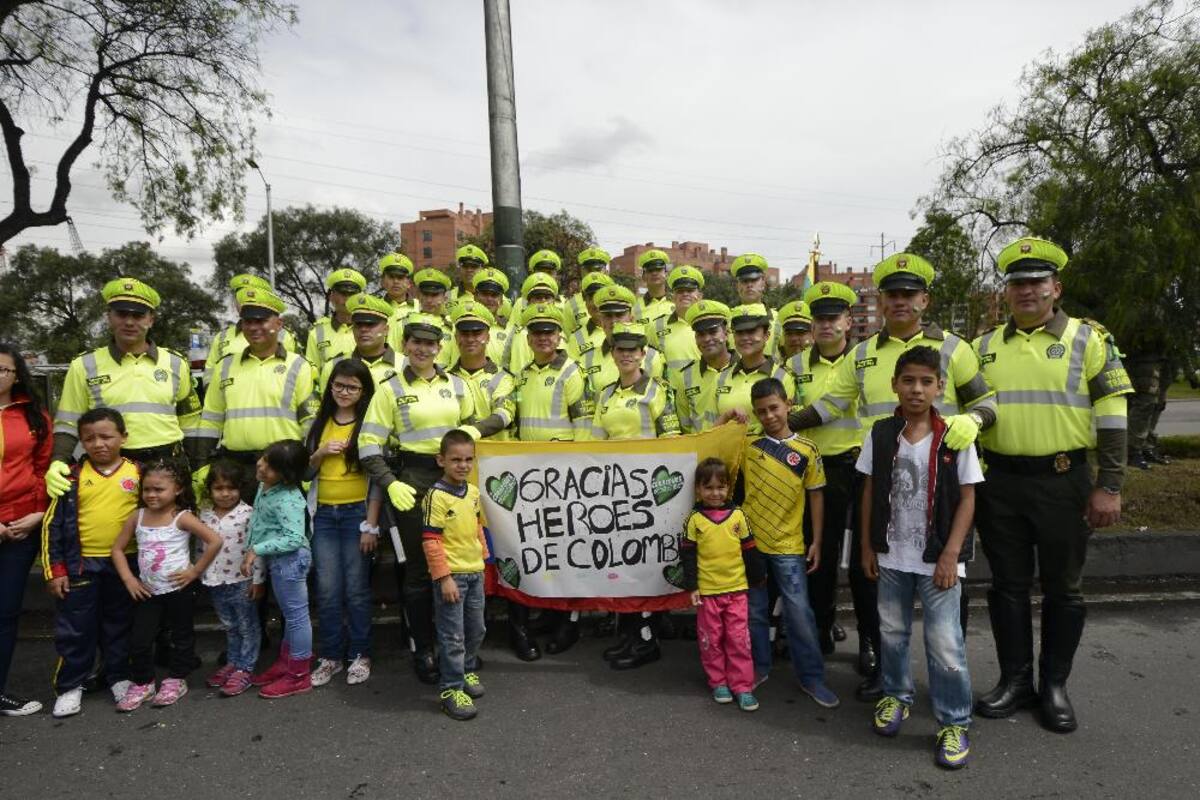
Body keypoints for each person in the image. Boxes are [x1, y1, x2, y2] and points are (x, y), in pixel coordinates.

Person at [786, 253, 998, 688]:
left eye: (909, 294)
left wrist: (973, 422)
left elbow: (987, 401)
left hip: (940, 485)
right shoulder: (861, 353)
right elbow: (829, 406)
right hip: (880, 482)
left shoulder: (955, 349)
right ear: (880, 302)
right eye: (892, 295)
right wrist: (778, 423)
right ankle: (882, 666)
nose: (900, 301)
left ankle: (947, 678)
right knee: (873, 575)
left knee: (946, 580)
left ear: (925, 299)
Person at [971, 237, 1133, 734]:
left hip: (1063, 483)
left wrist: (1109, 484)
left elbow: (1112, 415)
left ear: (1055, 287)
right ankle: (1015, 681)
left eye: (1036, 282)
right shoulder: (984, 346)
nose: (1026, 290)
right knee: (1007, 588)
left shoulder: (1089, 339)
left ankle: (1055, 687)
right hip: (1001, 484)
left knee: (1064, 590)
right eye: (1017, 283)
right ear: (1007, 292)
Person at [857, 346, 981, 770]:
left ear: (939, 387)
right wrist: (867, 546)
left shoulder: (954, 436)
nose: (916, 389)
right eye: (908, 380)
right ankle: (896, 696)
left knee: (945, 643)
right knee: (892, 632)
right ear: (894, 384)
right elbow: (870, 490)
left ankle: (953, 721)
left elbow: (967, 499)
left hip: (937, 561)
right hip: (892, 555)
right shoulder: (879, 433)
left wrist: (950, 554)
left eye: (926, 381)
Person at [359, 313, 496, 684]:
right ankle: (423, 649)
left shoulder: (458, 384)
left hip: (456, 479)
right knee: (421, 572)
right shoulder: (389, 388)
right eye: (416, 342)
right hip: (412, 482)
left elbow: (493, 417)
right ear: (405, 346)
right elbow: (368, 444)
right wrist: (389, 482)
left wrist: (473, 429)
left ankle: (461, 649)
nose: (423, 349)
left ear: (440, 347)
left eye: (430, 343)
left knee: (463, 565)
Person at [785, 281, 879, 692]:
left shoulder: (864, 360)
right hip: (808, 469)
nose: (826, 326)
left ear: (847, 321)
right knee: (816, 558)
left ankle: (870, 643)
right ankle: (820, 633)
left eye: (833, 318)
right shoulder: (794, 365)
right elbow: (780, 406)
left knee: (863, 562)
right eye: (819, 319)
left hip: (853, 467)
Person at [47, 277, 202, 497]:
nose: (129, 322)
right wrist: (58, 461)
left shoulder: (176, 363)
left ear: (151, 319)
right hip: (111, 467)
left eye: (138, 315)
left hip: (168, 466)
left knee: (170, 531)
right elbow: (68, 422)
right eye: (121, 314)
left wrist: (199, 467)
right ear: (108, 317)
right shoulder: (83, 365)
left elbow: (191, 421)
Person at [741, 378, 838, 708]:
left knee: (799, 613)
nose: (768, 416)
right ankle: (758, 668)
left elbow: (817, 497)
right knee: (755, 612)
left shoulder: (808, 451)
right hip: (752, 545)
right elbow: (714, 441)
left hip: (790, 547)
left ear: (788, 405)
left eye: (773, 408)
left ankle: (811, 677)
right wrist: (727, 416)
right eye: (761, 411)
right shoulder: (748, 446)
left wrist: (817, 541)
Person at [590, 322, 682, 669]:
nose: (626, 354)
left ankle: (647, 640)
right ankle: (629, 633)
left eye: (633, 349)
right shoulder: (605, 395)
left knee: (645, 566)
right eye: (620, 349)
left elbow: (674, 440)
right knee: (622, 566)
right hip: (615, 495)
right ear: (612, 354)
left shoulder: (659, 391)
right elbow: (595, 446)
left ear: (644, 353)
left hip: (648, 496)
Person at [41, 408, 140, 718]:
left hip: (126, 565)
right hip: (81, 566)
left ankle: (119, 677)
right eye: (89, 439)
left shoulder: (139, 473)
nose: (98, 444)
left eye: (107, 436)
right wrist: (54, 569)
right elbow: (52, 525)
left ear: (124, 437)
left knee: (119, 624)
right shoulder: (70, 476)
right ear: (81, 442)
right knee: (76, 628)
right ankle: (71, 685)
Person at [508, 303, 593, 659]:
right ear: (527, 338)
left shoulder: (572, 372)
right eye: (536, 332)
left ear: (560, 336)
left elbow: (585, 428)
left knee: (567, 554)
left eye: (549, 332)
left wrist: (578, 475)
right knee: (541, 552)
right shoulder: (524, 374)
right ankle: (546, 612)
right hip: (530, 478)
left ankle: (568, 623)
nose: (543, 338)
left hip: (563, 479)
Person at [109, 460, 223, 711]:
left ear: (178, 489)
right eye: (147, 489)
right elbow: (117, 549)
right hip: (147, 591)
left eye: (159, 489)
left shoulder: (181, 517)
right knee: (140, 640)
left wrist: (195, 571)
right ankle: (143, 683)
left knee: (181, 638)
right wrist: (129, 579)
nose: (151, 494)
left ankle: (176, 679)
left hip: (178, 591)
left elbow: (214, 541)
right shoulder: (137, 516)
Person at [194, 287, 319, 489]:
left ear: (279, 324)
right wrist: (201, 466)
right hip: (235, 470)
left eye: (261, 321)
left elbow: (310, 423)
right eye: (248, 322)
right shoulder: (224, 366)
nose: (253, 327)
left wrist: (306, 467)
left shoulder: (299, 365)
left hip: (283, 470)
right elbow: (210, 420)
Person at [306, 358, 381, 688]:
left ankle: (360, 654)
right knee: (326, 589)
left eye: (352, 387)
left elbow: (378, 478)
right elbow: (305, 473)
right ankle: (331, 656)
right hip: (323, 515)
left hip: (356, 514)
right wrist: (321, 452)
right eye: (338, 385)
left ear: (364, 391)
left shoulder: (370, 423)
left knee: (356, 590)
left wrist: (371, 524)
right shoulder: (318, 422)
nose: (344, 392)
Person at [680, 457, 766, 711]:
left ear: (729, 487)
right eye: (708, 488)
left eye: (721, 487)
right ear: (698, 490)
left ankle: (742, 686)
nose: (715, 493)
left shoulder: (738, 516)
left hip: (737, 590)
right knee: (711, 640)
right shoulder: (694, 520)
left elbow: (750, 550)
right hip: (708, 593)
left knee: (739, 639)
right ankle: (718, 681)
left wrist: (758, 578)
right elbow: (687, 556)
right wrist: (692, 586)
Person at [0, 343, 52, 716]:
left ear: (16, 374)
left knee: (5, 613)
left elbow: (42, 469)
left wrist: (38, 513)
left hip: (21, 528)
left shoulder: (34, 417)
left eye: (4, 369)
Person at [422, 429, 489, 721]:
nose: (463, 465)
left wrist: (484, 560)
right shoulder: (435, 496)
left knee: (477, 629)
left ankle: (466, 671)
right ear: (441, 460)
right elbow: (430, 540)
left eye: (468, 459)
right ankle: (450, 690)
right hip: (453, 577)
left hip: (475, 573)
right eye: (456, 460)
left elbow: (476, 528)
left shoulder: (473, 492)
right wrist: (444, 577)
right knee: (453, 636)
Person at [242, 440, 314, 699]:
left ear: (286, 475)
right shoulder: (267, 485)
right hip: (279, 560)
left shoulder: (288, 498)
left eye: (271, 467)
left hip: (290, 561)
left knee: (296, 617)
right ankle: (287, 663)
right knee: (290, 614)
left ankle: (299, 674)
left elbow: (294, 538)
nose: (262, 466)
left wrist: (256, 550)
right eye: (263, 458)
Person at [198, 460, 264, 697]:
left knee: (248, 626)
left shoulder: (249, 514)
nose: (225, 494)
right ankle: (233, 662)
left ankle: (246, 668)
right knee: (230, 625)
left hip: (242, 580)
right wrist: (198, 571)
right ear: (210, 490)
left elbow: (257, 549)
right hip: (215, 580)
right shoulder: (203, 514)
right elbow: (200, 546)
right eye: (218, 488)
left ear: (240, 488)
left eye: (231, 488)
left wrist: (258, 580)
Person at [711, 303, 795, 436]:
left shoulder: (783, 376)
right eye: (739, 332)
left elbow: (789, 424)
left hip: (768, 453)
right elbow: (712, 428)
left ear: (766, 336)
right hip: (728, 453)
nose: (745, 338)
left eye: (751, 331)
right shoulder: (721, 377)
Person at [578, 284, 664, 402]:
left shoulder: (652, 356)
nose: (613, 321)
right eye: (608, 316)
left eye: (619, 315)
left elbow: (658, 401)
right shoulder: (586, 358)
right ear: (601, 320)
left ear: (631, 318)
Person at [205, 273, 298, 381]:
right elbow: (210, 373)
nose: (243, 303)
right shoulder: (221, 337)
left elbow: (296, 371)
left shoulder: (285, 335)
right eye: (239, 297)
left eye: (250, 297)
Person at [448, 301, 516, 443]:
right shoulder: (444, 378)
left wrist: (474, 431)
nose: (470, 339)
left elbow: (505, 413)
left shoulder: (504, 378)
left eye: (477, 333)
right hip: (458, 461)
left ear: (488, 337)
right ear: (456, 338)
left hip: (496, 459)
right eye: (464, 333)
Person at [670, 300, 734, 433]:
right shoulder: (686, 377)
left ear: (726, 334)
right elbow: (685, 425)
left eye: (712, 332)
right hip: (702, 451)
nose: (707, 339)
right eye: (701, 334)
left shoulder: (746, 370)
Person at [317, 293, 401, 393]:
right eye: (358, 324)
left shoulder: (405, 365)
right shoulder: (333, 366)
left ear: (386, 329)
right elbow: (327, 407)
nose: (363, 329)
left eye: (370, 324)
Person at [305, 268, 366, 375]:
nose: (347, 299)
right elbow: (312, 374)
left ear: (360, 298)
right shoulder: (317, 333)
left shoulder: (371, 328)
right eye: (343, 293)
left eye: (351, 294)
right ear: (331, 296)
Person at [648, 265, 705, 375]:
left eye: (690, 290)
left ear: (700, 295)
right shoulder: (656, 326)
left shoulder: (710, 324)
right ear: (672, 296)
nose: (685, 294)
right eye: (680, 291)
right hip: (670, 389)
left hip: (705, 389)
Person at [730, 254, 779, 359]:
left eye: (754, 280)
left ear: (763, 283)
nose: (749, 285)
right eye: (744, 281)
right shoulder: (726, 320)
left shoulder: (778, 319)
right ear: (737, 286)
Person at [564, 247, 611, 334]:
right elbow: (568, 340)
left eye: (598, 269)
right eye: (588, 270)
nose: (593, 274)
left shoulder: (619, 300)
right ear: (581, 273)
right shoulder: (571, 305)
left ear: (606, 272)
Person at [632, 249, 674, 329]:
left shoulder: (677, 302)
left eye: (658, 269)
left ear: (666, 274)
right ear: (643, 277)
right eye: (650, 271)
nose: (654, 273)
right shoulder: (634, 308)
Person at [379, 253, 418, 323]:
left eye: (400, 277)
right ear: (383, 282)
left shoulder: (420, 308)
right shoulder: (375, 308)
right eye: (391, 277)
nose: (395, 281)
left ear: (409, 283)